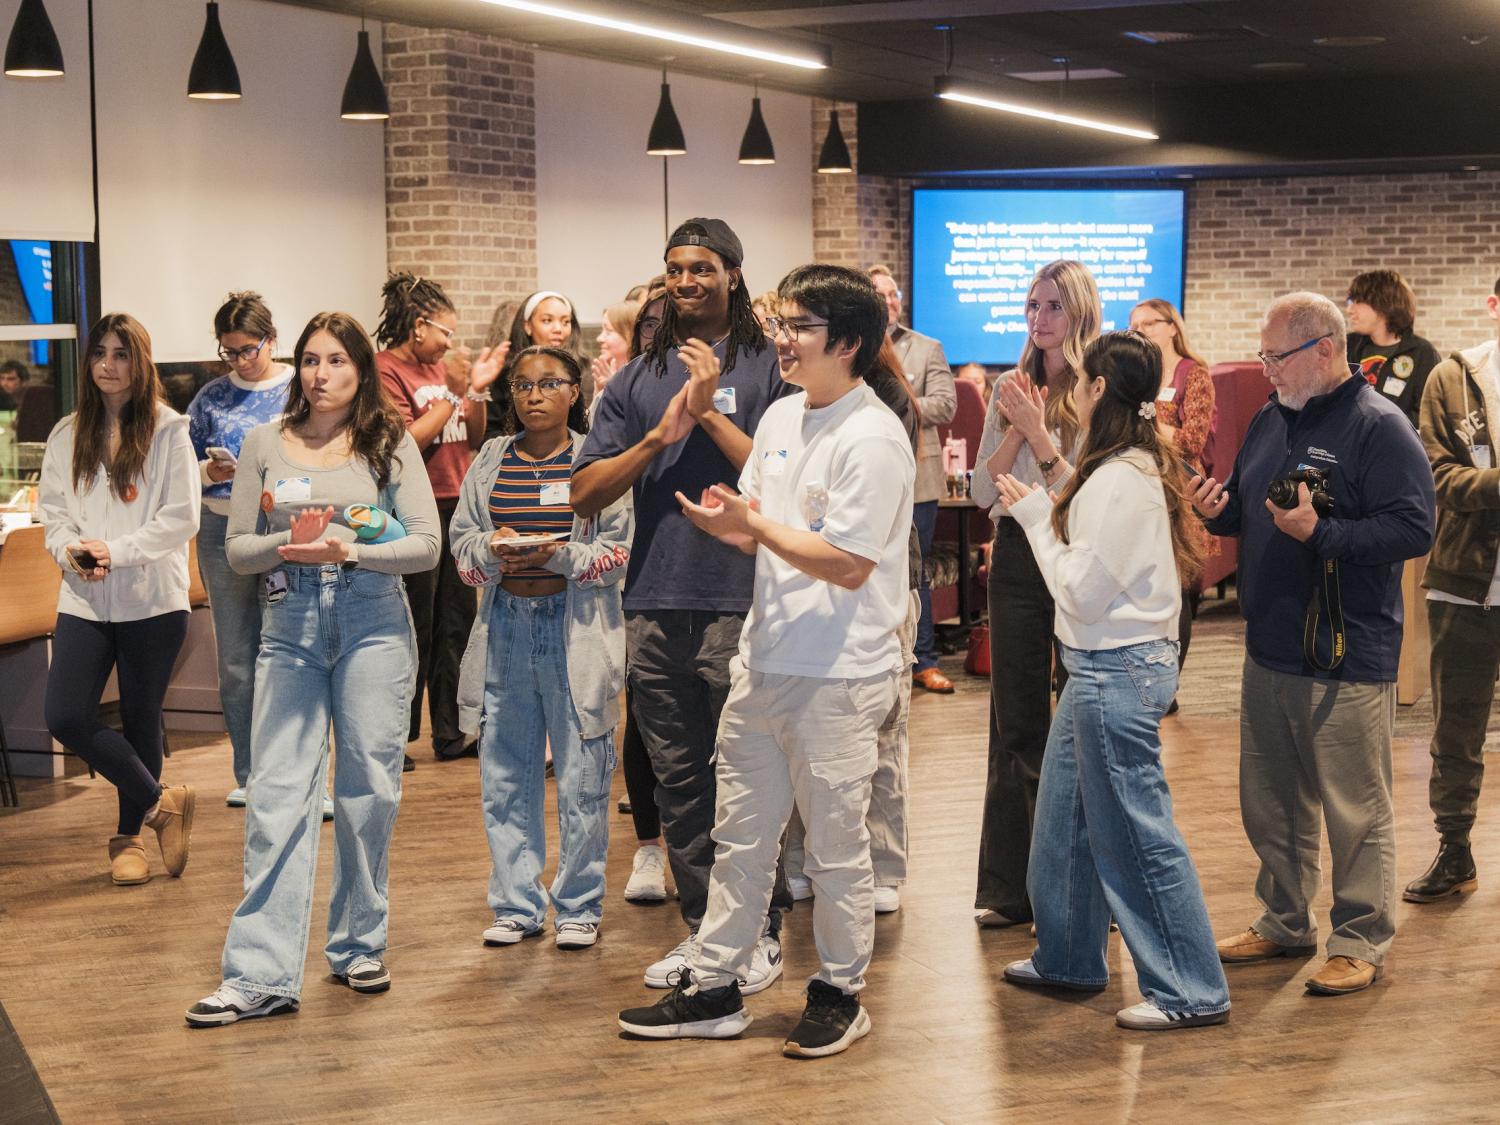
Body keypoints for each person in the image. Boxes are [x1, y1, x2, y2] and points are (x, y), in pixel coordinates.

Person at [617, 263, 914, 1059]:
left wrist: (756, 523)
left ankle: (840, 992)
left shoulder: (874, 434)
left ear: (848, 342)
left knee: (835, 845)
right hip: (766, 658)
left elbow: (849, 561)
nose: (782, 340)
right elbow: (765, 528)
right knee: (740, 833)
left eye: (800, 328)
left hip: (841, 673)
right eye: (781, 324)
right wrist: (731, 527)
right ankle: (716, 982)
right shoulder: (783, 417)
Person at [186, 311, 439, 1027]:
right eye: (310, 360)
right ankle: (259, 973)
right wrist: (283, 546)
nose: (320, 374)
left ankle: (359, 942)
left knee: (369, 791)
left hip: (373, 623)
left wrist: (351, 551)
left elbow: (425, 544)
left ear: (360, 370)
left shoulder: (388, 444)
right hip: (290, 624)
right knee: (276, 796)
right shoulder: (264, 442)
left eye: (336, 361)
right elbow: (236, 549)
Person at [572, 217, 794, 994]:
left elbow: (782, 482)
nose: (686, 281)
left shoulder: (771, 365)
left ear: (733, 273)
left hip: (741, 598)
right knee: (678, 781)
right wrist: (656, 436)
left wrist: (707, 413)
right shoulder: (638, 376)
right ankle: (707, 934)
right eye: (675, 269)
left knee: (748, 775)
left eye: (702, 267)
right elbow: (583, 490)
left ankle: (760, 931)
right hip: (656, 602)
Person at [1193, 292, 1434, 997]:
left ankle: (1360, 938)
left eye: (1276, 355)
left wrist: (1322, 535)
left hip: (1345, 651)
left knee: (1355, 807)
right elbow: (1252, 502)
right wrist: (1224, 509)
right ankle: (1284, 919)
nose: (1265, 367)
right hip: (1269, 647)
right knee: (1271, 799)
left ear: (1323, 348)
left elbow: (1414, 530)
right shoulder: (1274, 416)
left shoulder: (1379, 427)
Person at [995, 331, 1230, 1031]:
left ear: (1098, 390)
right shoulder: (1126, 464)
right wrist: (1045, 462)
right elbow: (1089, 512)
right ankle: (1069, 955)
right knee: (1064, 823)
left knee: (1134, 834)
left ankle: (1191, 988)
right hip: (1106, 666)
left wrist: (1035, 518)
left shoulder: (1122, 477)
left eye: (1083, 382)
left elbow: (1079, 592)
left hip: (1114, 669)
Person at [450, 346, 631, 949]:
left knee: (583, 774)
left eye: (549, 383)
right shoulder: (490, 458)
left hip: (575, 629)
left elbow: (617, 553)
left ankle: (578, 905)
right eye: (522, 385)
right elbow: (461, 543)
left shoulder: (597, 461)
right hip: (505, 625)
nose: (533, 395)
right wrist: (492, 549)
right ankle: (516, 904)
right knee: (504, 773)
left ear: (574, 392)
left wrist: (558, 554)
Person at [39, 313, 199, 887]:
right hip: (84, 600)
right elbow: (53, 513)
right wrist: (69, 550)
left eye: (121, 354)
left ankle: (128, 839)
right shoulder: (66, 432)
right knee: (65, 714)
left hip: (152, 600)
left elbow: (181, 518)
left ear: (141, 361)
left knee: (140, 719)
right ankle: (162, 805)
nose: (108, 364)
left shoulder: (169, 430)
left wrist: (116, 550)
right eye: (100, 353)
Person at [969, 259, 1100, 928]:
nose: (1038, 318)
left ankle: (1085, 888)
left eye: (1051, 305)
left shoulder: (1100, 385)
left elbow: (1092, 490)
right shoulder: (1009, 386)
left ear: (1077, 311)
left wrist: (1042, 431)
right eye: (1031, 305)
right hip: (1019, 551)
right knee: (1016, 719)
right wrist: (1017, 423)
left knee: (1086, 721)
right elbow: (981, 492)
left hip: (1081, 551)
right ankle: (1010, 888)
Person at [784, 334, 923, 915]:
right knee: (800, 736)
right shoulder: (789, 406)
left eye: (800, 326)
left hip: (879, 589)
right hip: (804, 585)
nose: (786, 340)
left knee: (881, 737)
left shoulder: (881, 402)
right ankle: (801, 862)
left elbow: (856, 529)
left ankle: (883, 865)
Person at [375, 273, 504, 765]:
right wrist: (452, 390)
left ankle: (452, 732)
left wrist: (472, 391)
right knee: (415, 625)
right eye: (445, 332)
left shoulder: (440, 372)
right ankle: (395, 738)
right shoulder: (386, 370)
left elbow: (472, 437)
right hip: (413, 509)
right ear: (419, 324)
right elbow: (406, 441)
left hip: (458, 503)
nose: (451, 342)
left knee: (457, 623)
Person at [185, 292, 307, 810]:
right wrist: (208, 472)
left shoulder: (298, 390)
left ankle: (297, 774)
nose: (237, 361)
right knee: (236, 658)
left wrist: (268, 479)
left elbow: (315, 459)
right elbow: (181, 466)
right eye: (228, 352)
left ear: (271, 341)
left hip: (280, 531)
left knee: (289, 650)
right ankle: (250, 772)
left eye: (247, 350)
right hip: (219, 532)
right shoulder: (210, 397)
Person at [1405, 275, 1500, 904]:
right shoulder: (1455, 377)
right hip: (1467, 581)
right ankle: (1455, 848)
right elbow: (1439, 475)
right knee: (1457, 729)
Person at [868, 263, 957, 693]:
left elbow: (945, 405)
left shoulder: (926, 347)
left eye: (892, 293)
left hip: (918, 476)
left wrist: (893, 402)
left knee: (913, 567)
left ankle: (923, 660)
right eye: (878, 294)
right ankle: (880, 654)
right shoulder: (853, 345)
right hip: (867, 469)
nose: (888, 301)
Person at [1128, 298, 1217, 695]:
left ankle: (1169, 688)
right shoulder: (1135, 375)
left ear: (1172, 327)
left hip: (1178, 496)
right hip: (1138, 492)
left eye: (1150, 323)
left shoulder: (1193, 374)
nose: (1141, 330)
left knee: (1175, 591)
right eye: (1135, 325)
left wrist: (1148, 424)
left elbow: (1191, 440)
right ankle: (1145, 680)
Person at [1345, 269, 1441, 427]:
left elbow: (1428, 414)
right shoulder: (1348, 346)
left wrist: (1385, 429)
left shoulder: (1422, 353)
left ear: (1383, 303)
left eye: (1357, 301)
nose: (1350, 310)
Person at [488, 290, 583, 440]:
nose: (558, 329)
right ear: (527, 326)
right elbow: (489, 431)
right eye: (547, 320)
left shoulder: (581, 369)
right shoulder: (505, 372)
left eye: (565, 322)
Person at [590, 299, 639, 411]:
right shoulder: (604, 374)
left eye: (608, 331)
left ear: (630, 334)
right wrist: (600, 391)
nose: (599, 338)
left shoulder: (644, 379)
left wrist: (615, 389)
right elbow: (591, 425)